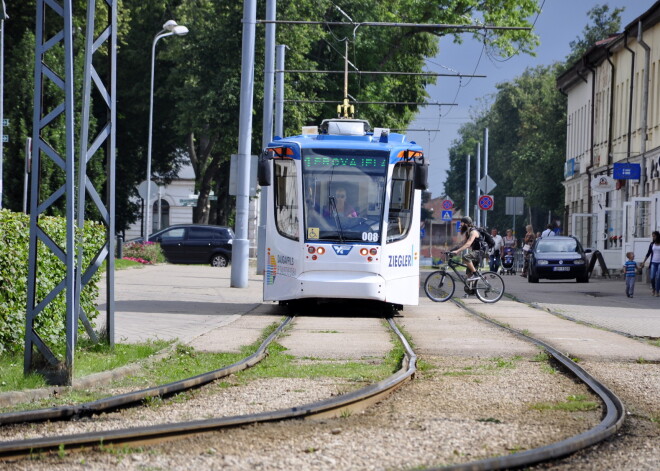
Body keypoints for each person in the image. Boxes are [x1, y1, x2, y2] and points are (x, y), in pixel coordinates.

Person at [450, 216, 482, 282]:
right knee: (468, 274)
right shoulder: (468, 232)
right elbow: (462, 243)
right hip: (475, 252)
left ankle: (476, 274)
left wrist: (457, 251)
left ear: (466, 224)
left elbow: (468, 244)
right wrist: (452, 250)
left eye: (462, 223)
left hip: (480, 252)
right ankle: (471, 291)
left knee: (465, 257)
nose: (461, 225)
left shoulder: (473, 232)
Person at [640, 230, 660, 297]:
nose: (653, 237)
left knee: (658, 277)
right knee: (652, 277)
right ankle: (654, 289)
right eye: (652, 236)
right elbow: (648, 253)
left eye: (654, 236)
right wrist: (643, 262)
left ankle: (657, 291)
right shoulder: (652, 244)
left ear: (657, 236)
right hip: (653, 262)